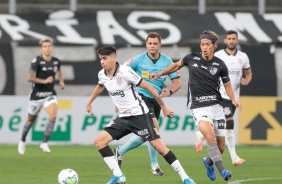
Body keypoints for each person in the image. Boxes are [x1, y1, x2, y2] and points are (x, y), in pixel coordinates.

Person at [86, 45, 195, 184]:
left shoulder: (125, 72)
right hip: (123, 118)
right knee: (99, 142)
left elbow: (148, 87)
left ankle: (185, 178)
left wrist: (164, 106)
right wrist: (89, 102)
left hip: (140, 116)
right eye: (101, 58)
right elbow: (100, 85)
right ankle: (118, 175)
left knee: (160, 147)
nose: (102, 61)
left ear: (114, 58)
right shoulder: (102, 74)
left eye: (105, 58)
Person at [150, 30, 241, 182]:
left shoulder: (220, 64)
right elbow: (175, 66)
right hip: (199, 107)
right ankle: (222, 169)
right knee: (209, 136)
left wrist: (234, 100)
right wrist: (160, 74)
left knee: (221, 147)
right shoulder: (191, 58)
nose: (204, 47)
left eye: (207, 44)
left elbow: (228, 85)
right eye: (202, 44)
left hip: (216, 107)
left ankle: (208, 162)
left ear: (214, 45)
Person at [114, 32, 181, 176]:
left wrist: (169, 92)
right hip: (139, 97)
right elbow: (120, 74)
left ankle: (120, 151)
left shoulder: (167, 61)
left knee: (150, 132)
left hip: (156, 100)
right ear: (146, 44)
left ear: (160, 45)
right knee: (153, 128)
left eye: (155, 43)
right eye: (149, 43)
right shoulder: (137, 60)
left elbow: (177, 83)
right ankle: (154, 165)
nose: (152, 46)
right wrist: (120, 99)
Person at [195, 30, 252, 166]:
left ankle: (200, 135)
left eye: (234, 39)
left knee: (221, 126)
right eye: (229, 39)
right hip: (220, 96)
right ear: (225, 41)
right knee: (230, 125)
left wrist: (246, 80)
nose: (231, 41)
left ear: (237, 41)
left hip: (234, 98)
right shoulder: (218, 55)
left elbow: (248, 73)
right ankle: (234, 158)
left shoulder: (243, 57)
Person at [18, 38, 65, 155]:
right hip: (36, 96)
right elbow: (29, 77)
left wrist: (61, 81)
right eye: (45, 46)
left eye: (49, 46)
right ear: (41, 49)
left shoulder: (56, 61)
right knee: (30, 121)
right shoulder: (37, 61)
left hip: (49, 94)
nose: (47, 48)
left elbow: (59, 70)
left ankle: (44, 142)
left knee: (53, 115)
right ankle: (22, 139)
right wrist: (44, 81)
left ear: (52, 47)